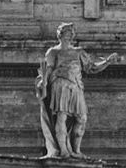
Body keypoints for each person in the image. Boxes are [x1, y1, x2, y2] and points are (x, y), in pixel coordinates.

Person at [35, 24, 120, 159]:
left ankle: (76, 150)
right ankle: (63, 150)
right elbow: (48, 70)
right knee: (61, 117)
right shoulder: (53, 52)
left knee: (82, 118)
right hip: (60, 84)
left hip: (76, 86)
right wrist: (42, 82)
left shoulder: (79, 52)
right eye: (67, 32)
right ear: (60, 34)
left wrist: (107, 62)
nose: (70, 35)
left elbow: (91, 67)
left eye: (71, 32)